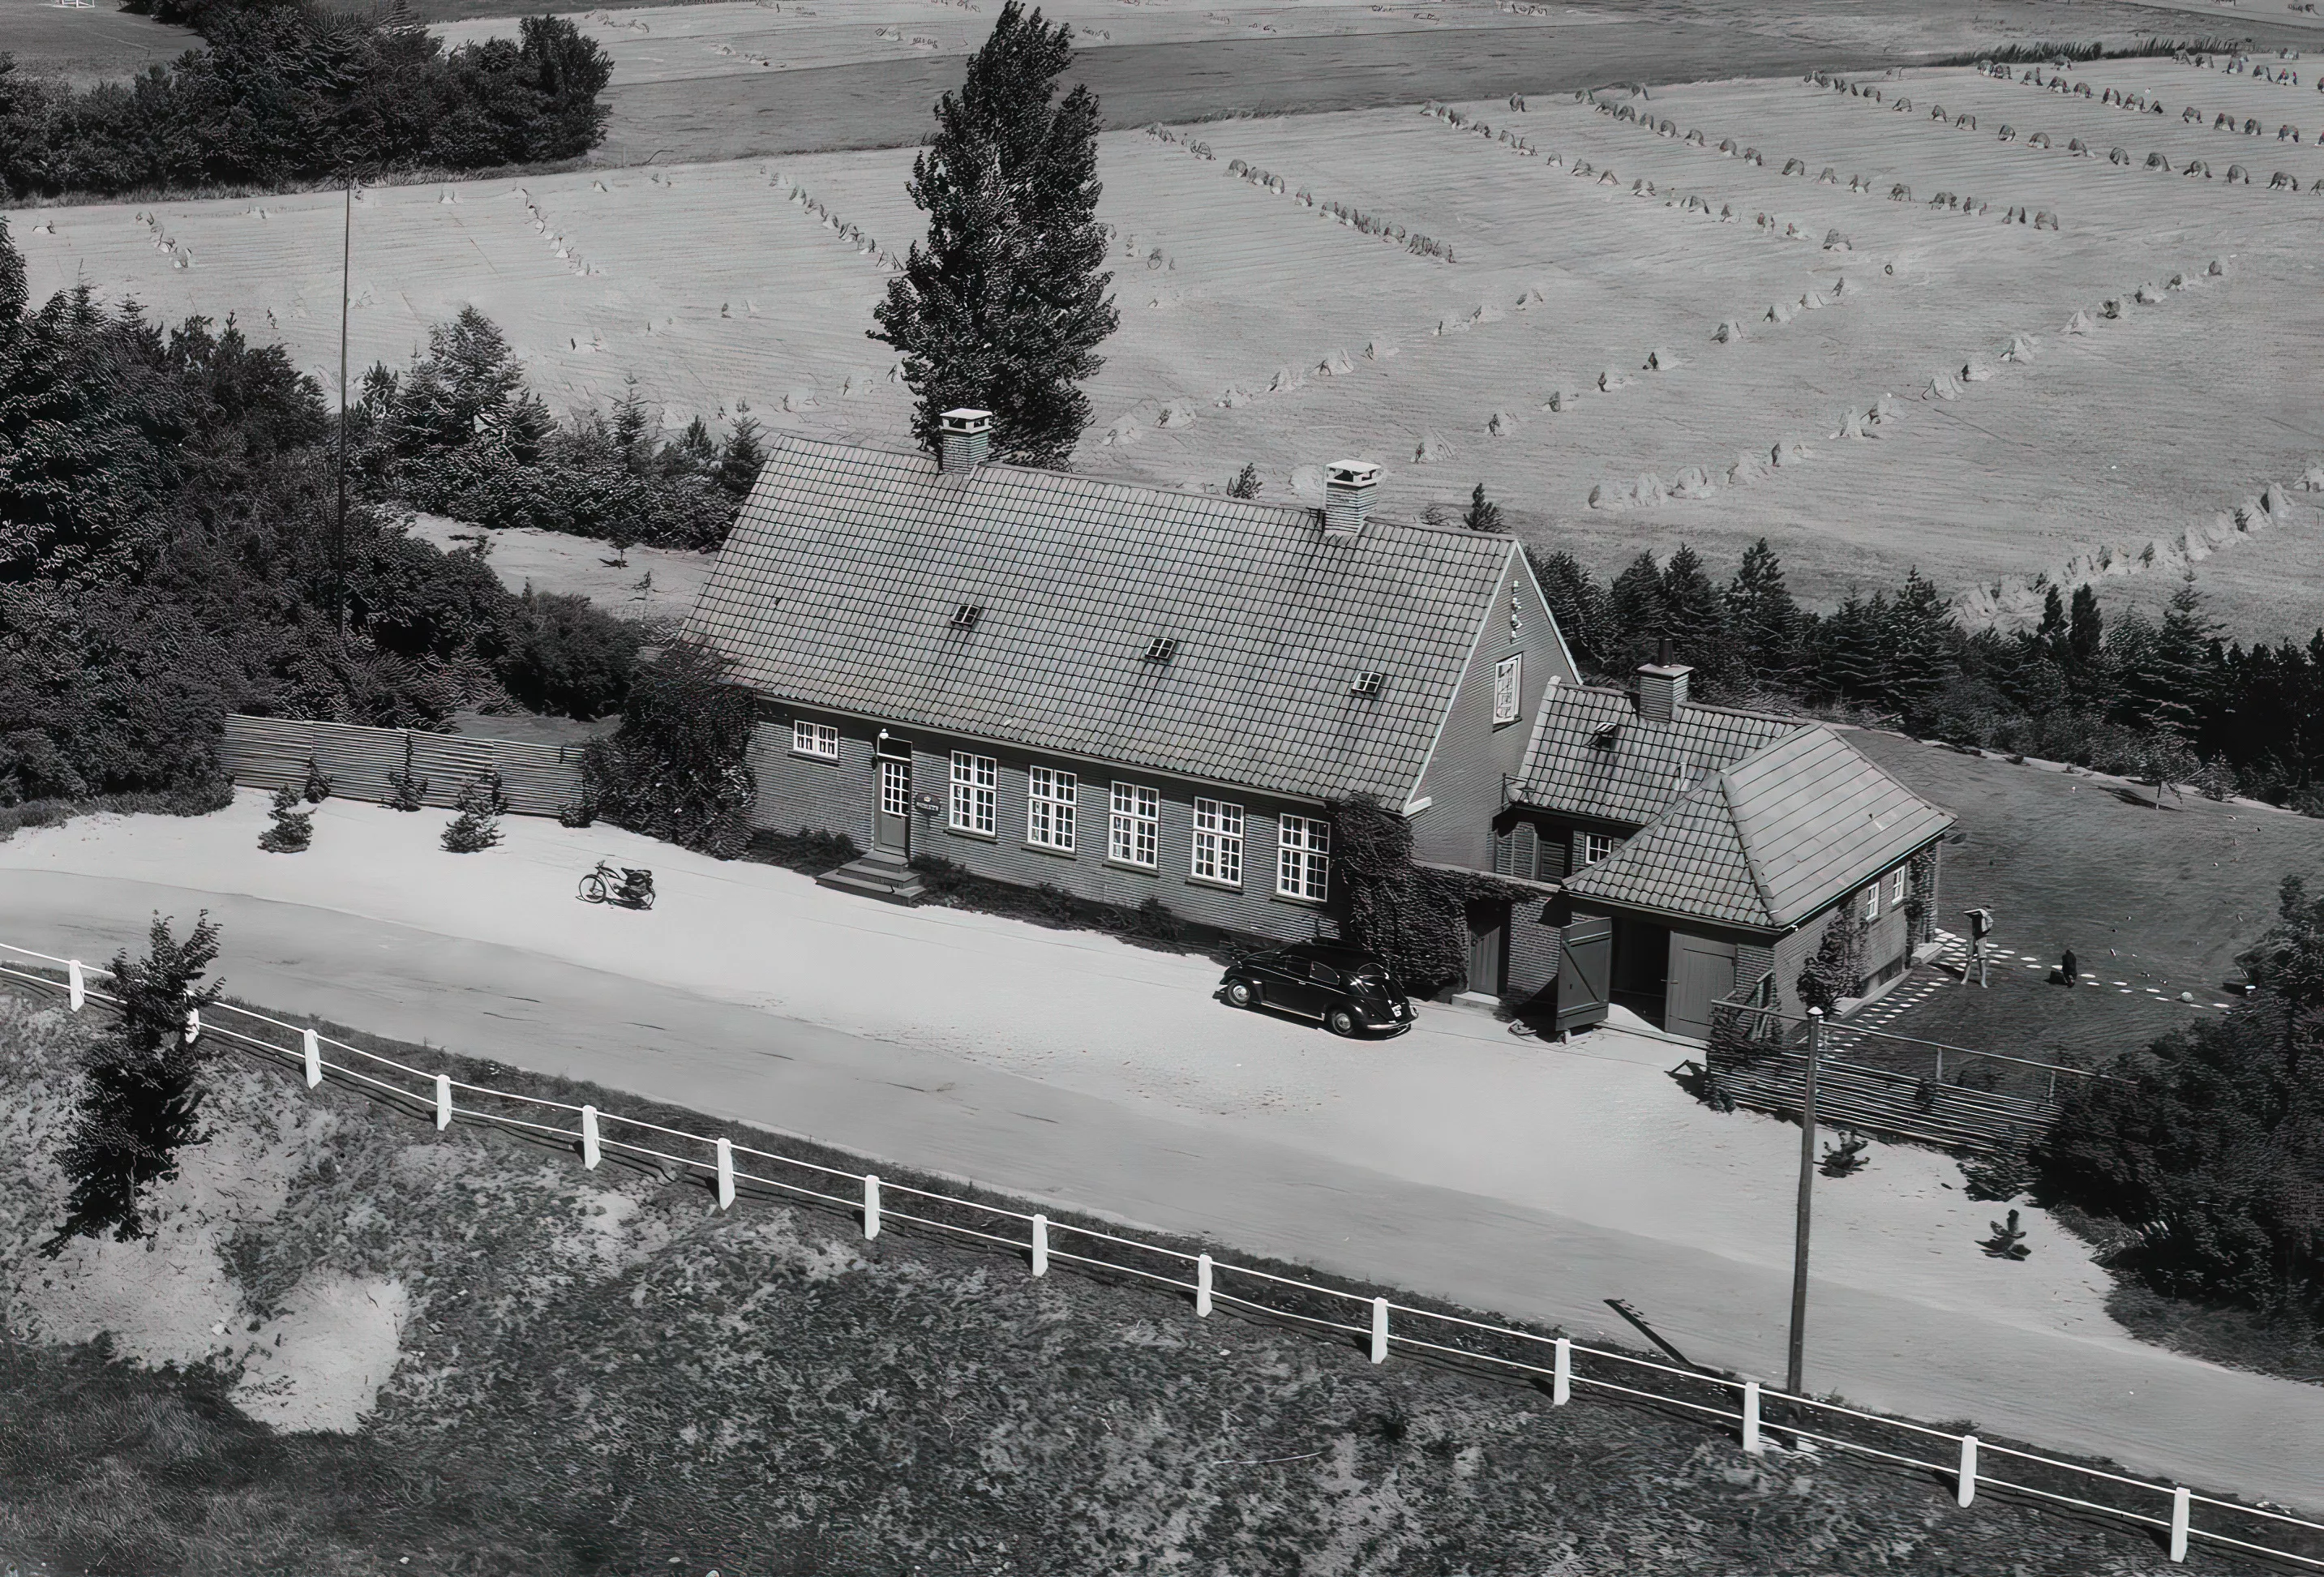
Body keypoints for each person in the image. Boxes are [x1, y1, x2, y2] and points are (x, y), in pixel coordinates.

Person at [1961, 906, 1994, 988]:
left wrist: (1985, 915)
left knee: (1982, 962)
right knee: (1969, 960)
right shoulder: (1976, 917)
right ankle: (1965, 978)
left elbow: (1985, 930)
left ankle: (1983, 981)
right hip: (1974, 939)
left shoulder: (1989, 920)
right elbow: (1966, 912)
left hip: (1981, 940)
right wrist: (1978, 910)